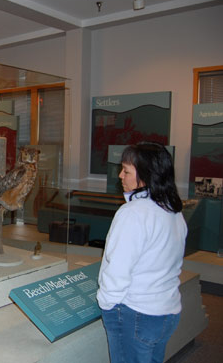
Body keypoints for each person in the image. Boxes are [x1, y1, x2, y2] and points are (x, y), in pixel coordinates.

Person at [97, 142, 187, 363]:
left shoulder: (133, 213)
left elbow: (117, 268)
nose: (120, 175)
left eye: (126, 171)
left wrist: (107, 304)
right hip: (167, 312)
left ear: (145, 175)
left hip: (136, 313)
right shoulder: (173, 210)